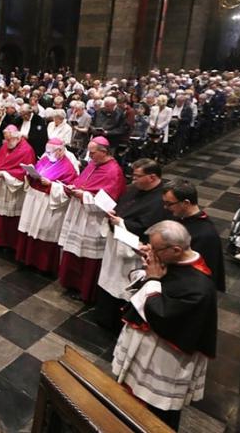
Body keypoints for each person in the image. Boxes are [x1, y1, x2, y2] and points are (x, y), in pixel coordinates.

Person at [111, 221, 217, 430]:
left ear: (176, 249)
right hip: (146, 347)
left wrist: (152, 278)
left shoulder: (198, 288)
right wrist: (149, 269)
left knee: (155, 412)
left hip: (164, 356)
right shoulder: (176, 260)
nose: (151, 253)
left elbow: (161, 316)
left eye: (155, 249)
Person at [95, 158, 168, 330]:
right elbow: (123, 206)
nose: (133, 180)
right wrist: (114, 214)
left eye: (137, 176)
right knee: (109, 277)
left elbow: (148, 227)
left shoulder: (161, 199)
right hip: (116, 242)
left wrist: (121, 222)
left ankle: (116, 321)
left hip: (133, 249)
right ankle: (103, 315)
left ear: (152, 177)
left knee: (122, 285)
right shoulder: (134, 189)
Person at [57, 137, 127, 302]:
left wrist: (84, 195)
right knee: (74, 251)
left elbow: (109, 201)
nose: (89, 156)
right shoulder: (93, 164)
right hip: (80, 214)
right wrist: (73, 187)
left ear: (104, 152)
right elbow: (81, 181)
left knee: (88, 257)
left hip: (94, 219)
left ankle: (85, 289)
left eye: (92, 152)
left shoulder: (113, 172)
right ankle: (71, 282)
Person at [17, 138, 79, 274]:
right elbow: (38, 170)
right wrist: (30, 174)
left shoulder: (68, 167)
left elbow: (68, 190)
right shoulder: (46, 159)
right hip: (34, 201)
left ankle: (42, 265)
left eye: (50, 152)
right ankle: (27, 258)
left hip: (48, 205)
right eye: (46, 151)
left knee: (44, 233)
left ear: (60, 151)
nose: (47, 154)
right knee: (31, 230)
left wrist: (51, 184)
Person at [161, 180, 226, 291]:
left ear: (186, 203)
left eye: (169, 204)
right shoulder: (179, 217)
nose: (165, 207)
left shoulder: (205, 235)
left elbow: (198, 273)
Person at [0, 126, 35, 250]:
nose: (7, 142)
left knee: (10, 218)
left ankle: (9, 242)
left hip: (13, 189)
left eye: (9, 139)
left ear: (17, 137)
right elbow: (0, 160)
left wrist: (5, 174)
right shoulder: (6, 145)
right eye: (6, 139)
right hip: (1, 185)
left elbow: (24, 173)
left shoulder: (27, 150)